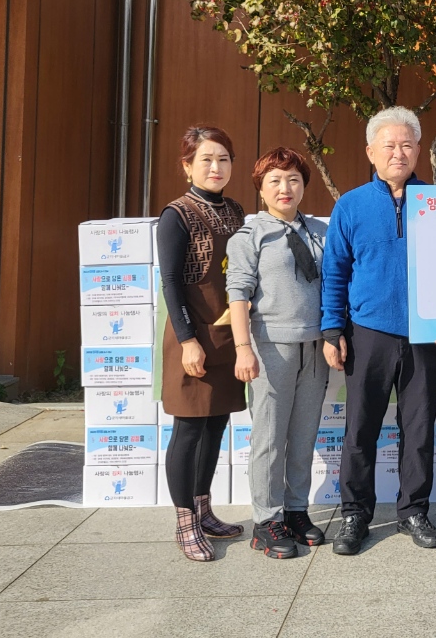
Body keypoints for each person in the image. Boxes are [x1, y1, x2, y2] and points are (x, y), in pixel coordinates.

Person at [322, 107, 436, 554]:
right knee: (360, 428)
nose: (399, 152)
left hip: (426, 334)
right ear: (370, 151)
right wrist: (332, 329)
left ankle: (413, 510)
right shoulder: (351, 204)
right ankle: (355, 513)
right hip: (367, 332)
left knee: (419, 428)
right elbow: (335, 270)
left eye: (407, 144)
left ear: (419, 150)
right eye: (389, 145)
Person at [226, 147, 329, 559]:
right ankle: (266, 521)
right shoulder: (249, 236)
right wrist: (243, 349)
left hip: (315, 347)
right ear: (261, 188)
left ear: (304, 185)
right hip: (271, 348)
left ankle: (296, 510)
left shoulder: (319, 231)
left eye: (293, 180)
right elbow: (238, 295)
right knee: (269, 439)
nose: (285, 188)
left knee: (303, 436)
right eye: (275, 180)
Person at [158, 125, 249, 562]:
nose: (216, 167)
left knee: (215, 425)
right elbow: (171, 283)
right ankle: (184, 523)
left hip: (226, 335)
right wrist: (188, 341)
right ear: (187, 166)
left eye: (223, 159)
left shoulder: (235, 210)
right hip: (192, 338)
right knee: (189, 429)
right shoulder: (176, 214)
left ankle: (203, 509)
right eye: (206, 159)